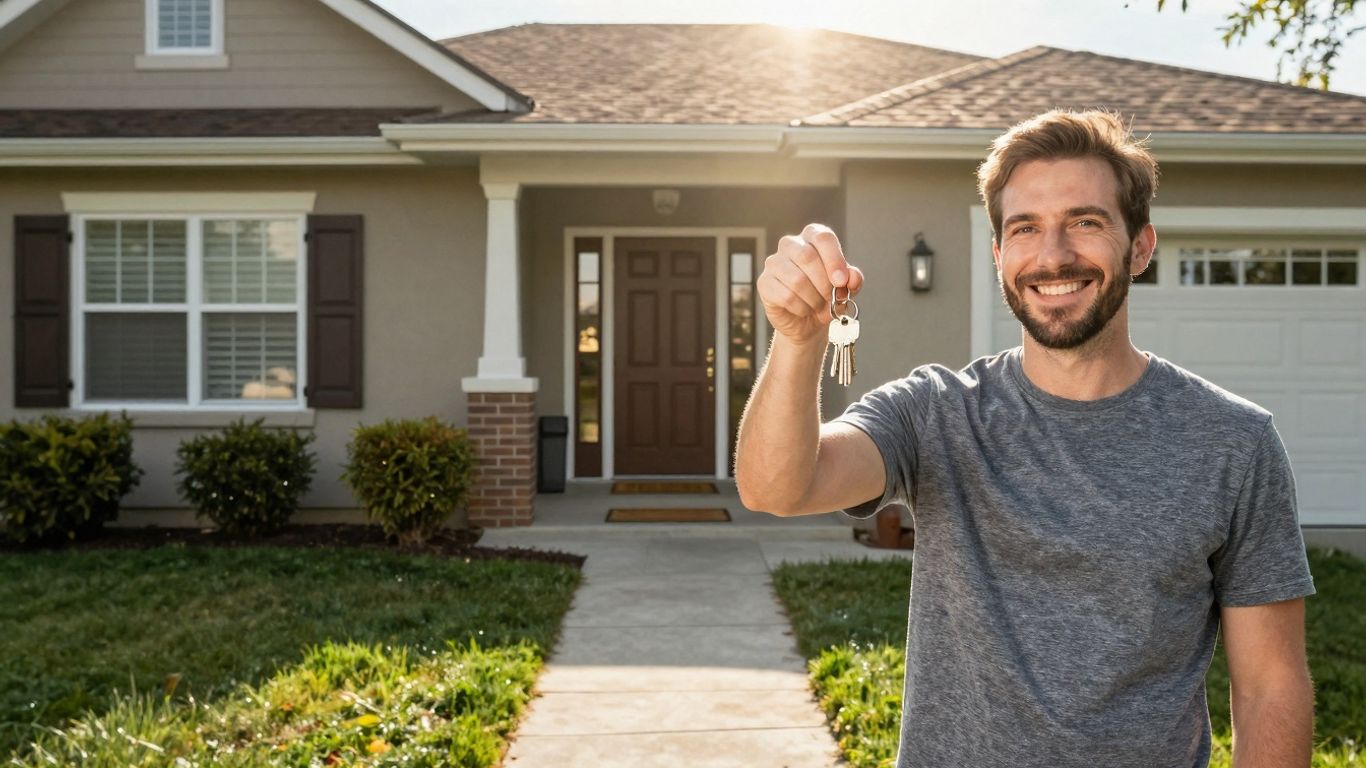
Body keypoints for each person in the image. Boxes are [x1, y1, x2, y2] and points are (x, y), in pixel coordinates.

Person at [734, 109, 1315, 768]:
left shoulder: (1233, 443)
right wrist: (798, 337)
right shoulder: (935, 412)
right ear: (998, 255)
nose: (1053, 255)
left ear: (1140, 246)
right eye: (1025, 228)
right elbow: (777, 487)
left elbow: (1270, 687)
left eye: (1085, 222)